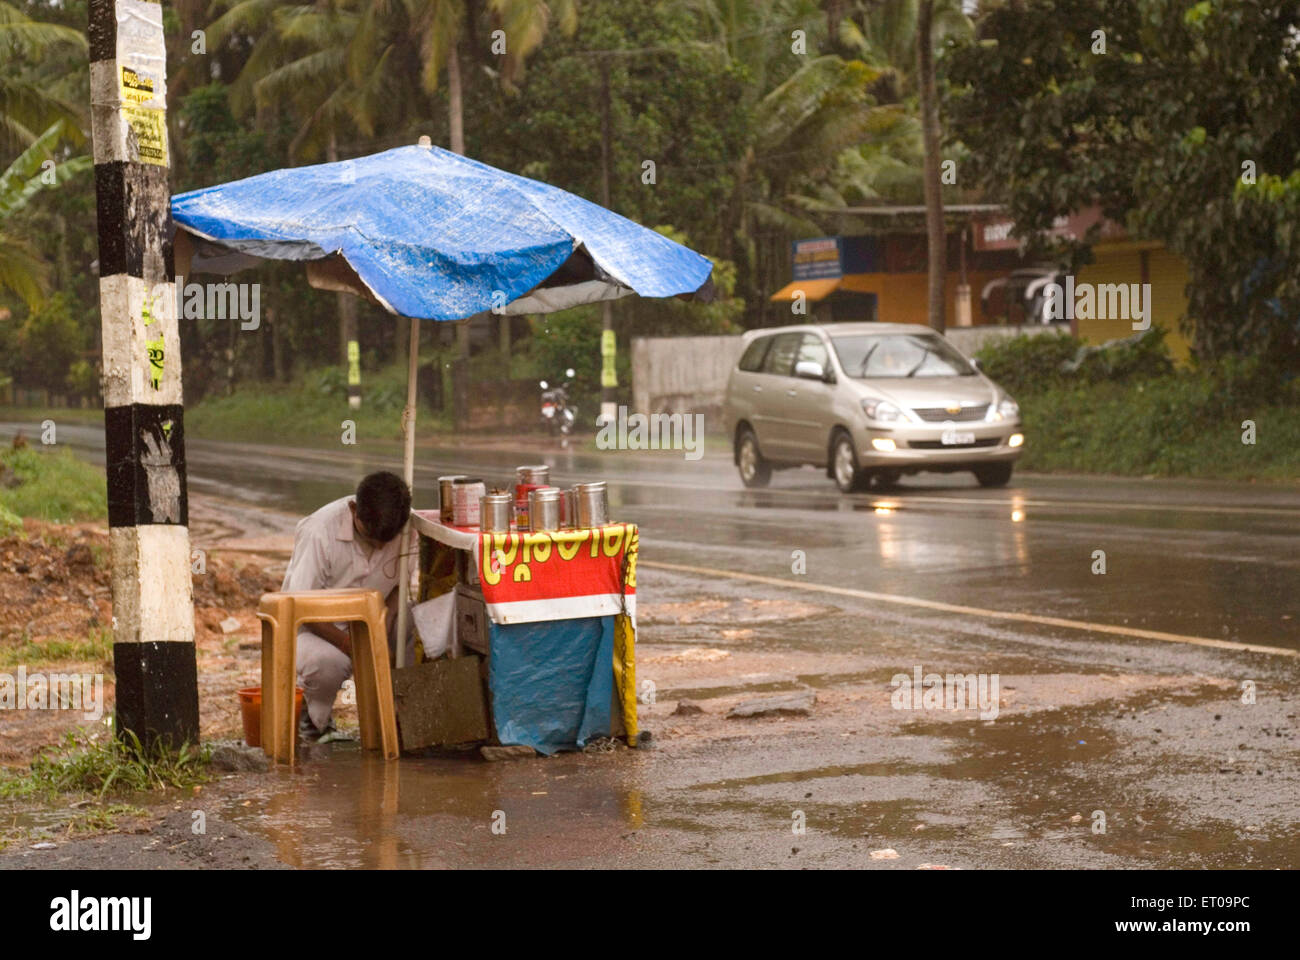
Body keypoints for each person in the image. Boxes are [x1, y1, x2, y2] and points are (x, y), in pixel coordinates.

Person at [281, 471, 413, 741]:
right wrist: (347, 643)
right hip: (314, 627)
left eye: (385, 542)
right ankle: (313, 720)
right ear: (353, 509)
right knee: (327, 663)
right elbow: (300, 606)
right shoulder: (319, 531)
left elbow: (398, 589)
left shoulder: (406, 529)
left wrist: (380, 632)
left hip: (374, 619)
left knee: (423, 626)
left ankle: (405, 717)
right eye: (371, 537)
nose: (378, 546)